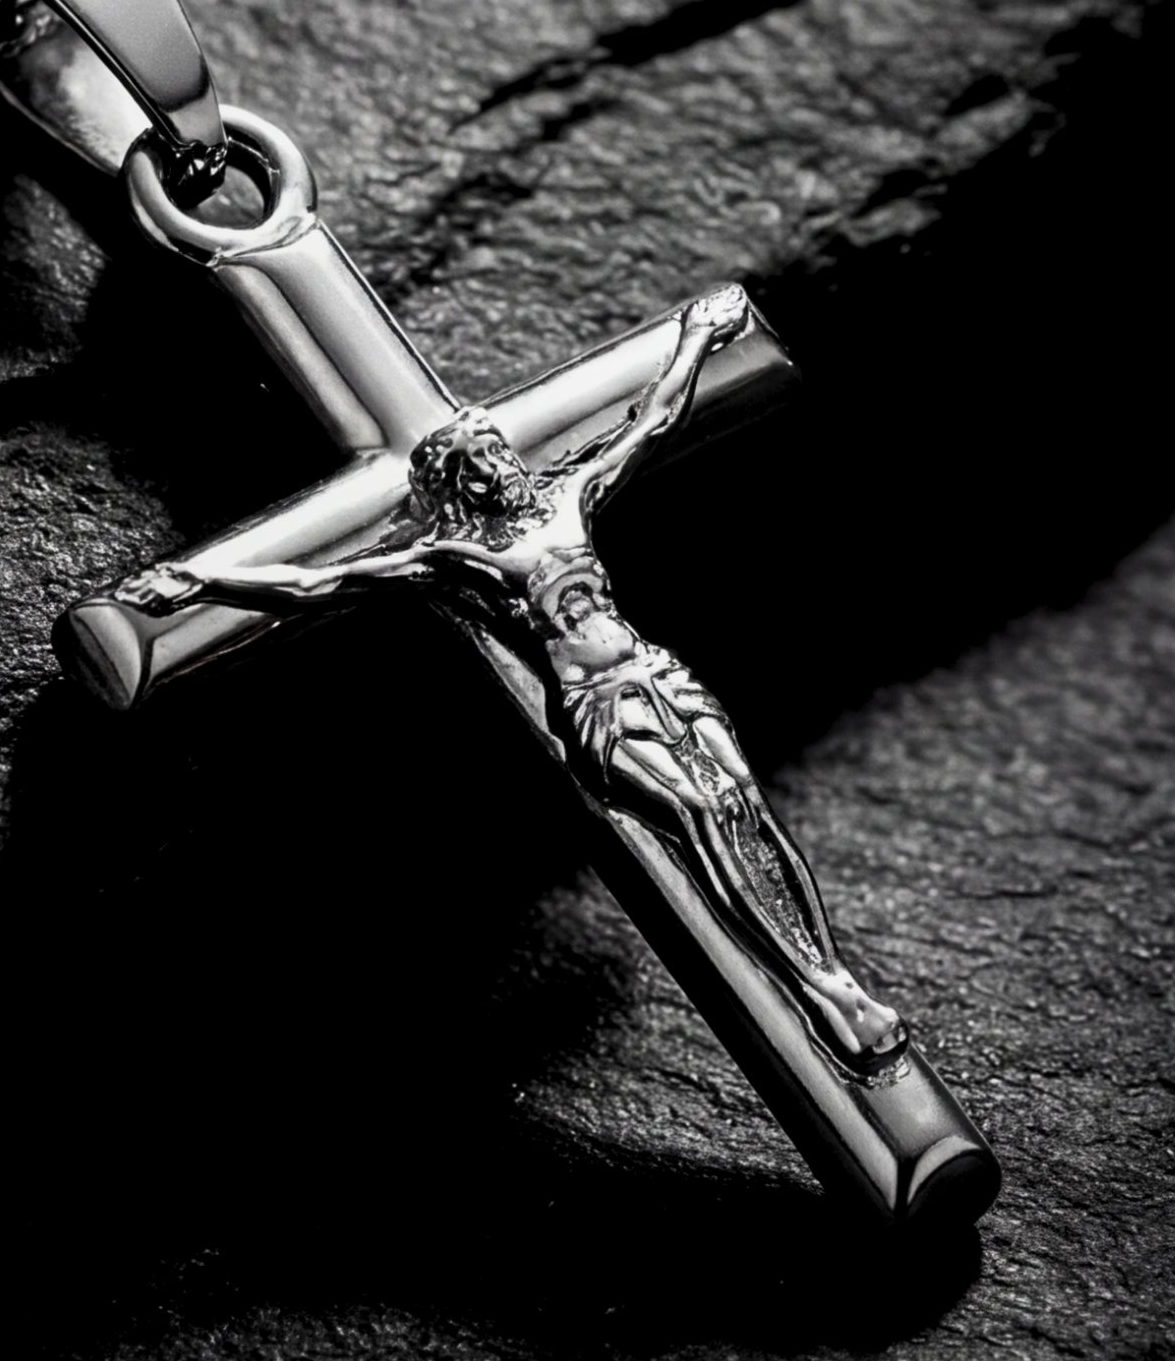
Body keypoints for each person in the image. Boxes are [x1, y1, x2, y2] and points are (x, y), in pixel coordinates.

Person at [122, 287, 907, 1068]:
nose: (495, 467)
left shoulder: (564, 500)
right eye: (474, 465)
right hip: (599, 708)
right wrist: (197, 584)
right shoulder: (459, 556)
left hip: (658, 674)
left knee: (748, 811)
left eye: (494, 452)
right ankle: (815, 994)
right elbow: (317, 583)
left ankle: (834, 970)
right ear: (457, 487)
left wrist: (698, 338)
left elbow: (650, 422)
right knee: (700, 819)